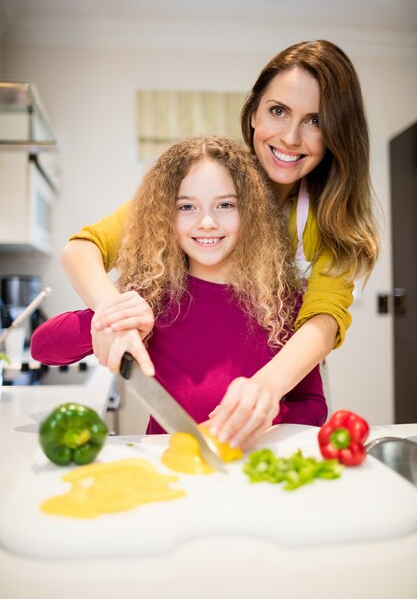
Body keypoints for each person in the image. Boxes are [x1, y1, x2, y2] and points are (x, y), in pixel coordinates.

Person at [58, 40, 380, 446]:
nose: (291, 137)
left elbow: (325, 317)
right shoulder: (210, 179)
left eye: (315, 121)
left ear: (337, 133)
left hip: (281, 398)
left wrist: (265, 390)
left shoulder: (330, 217)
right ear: (253, 113)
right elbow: (81, 249)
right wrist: (112, 314)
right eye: (278, 111)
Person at [31, 136, 327, 448]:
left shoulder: (284, 302)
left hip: (253, 470)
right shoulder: (152, 297)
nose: (208, 222)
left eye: (225, 205)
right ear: (166, 217)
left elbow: (313, 404)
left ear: (249, 212)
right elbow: (42, 347)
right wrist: (107, 319)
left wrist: (257, 418)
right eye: (187, 207)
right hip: (170, 473)